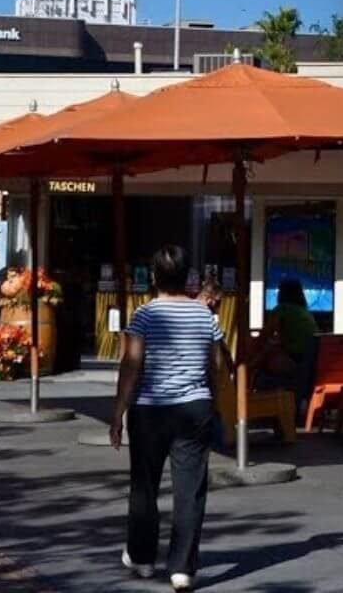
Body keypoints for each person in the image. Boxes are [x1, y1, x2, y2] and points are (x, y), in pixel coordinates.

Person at [112, 245, 229, 591]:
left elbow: (131, 365)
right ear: (187, 277)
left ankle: (143, 557)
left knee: (145, 485)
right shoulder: (205, 316)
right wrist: (213, 397)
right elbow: (218, 365)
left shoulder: (145, 315)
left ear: (153, 277)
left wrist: (117, 413)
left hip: (150, 409)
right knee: (190, 490)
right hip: (194, 408)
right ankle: (182, 568)